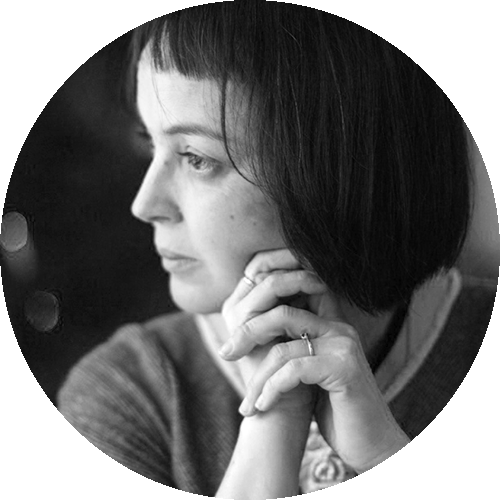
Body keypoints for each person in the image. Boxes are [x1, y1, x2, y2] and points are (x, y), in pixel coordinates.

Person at [57, 3, 496, 497]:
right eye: (149, 143)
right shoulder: (126, 395)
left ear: (340, 169)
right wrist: (272, 423)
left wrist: (381, 451)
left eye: (196, 158)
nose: (145, 204)